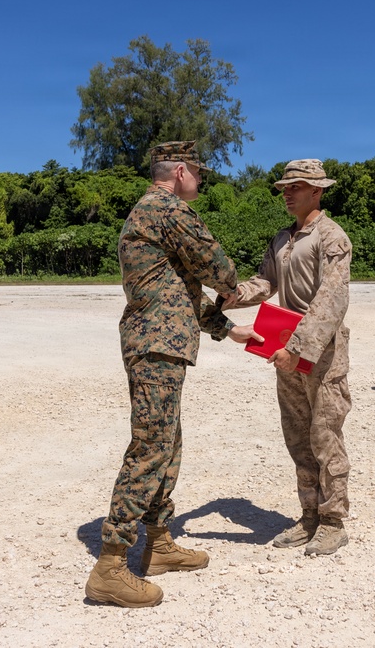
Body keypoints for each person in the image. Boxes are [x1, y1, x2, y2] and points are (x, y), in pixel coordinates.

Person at [85, 141, 261, 608]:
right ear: (179, 171)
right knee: (151, 446)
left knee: (167, 443)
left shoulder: (150, 213)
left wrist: (227, 328)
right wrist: (236, 288)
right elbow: (218, 269)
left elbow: (177, 293)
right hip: (157, 346)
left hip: (161, 342)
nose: (200, 181)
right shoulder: (166, 208)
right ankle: (110, 565)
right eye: (198, 173)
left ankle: (158, 543)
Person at [224, 159, 353, 557]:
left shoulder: (332, 237)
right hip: (285, 348)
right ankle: (309, 515)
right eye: (284, 187)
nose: (287, 193)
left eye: (295, 187)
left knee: (324, 435)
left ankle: (333, 522)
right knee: (298, 436)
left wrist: (296, 350)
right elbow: (266, 281)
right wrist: (235, 294)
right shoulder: (283, 238)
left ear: (317, 191)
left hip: (320, 351)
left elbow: (332, 299)